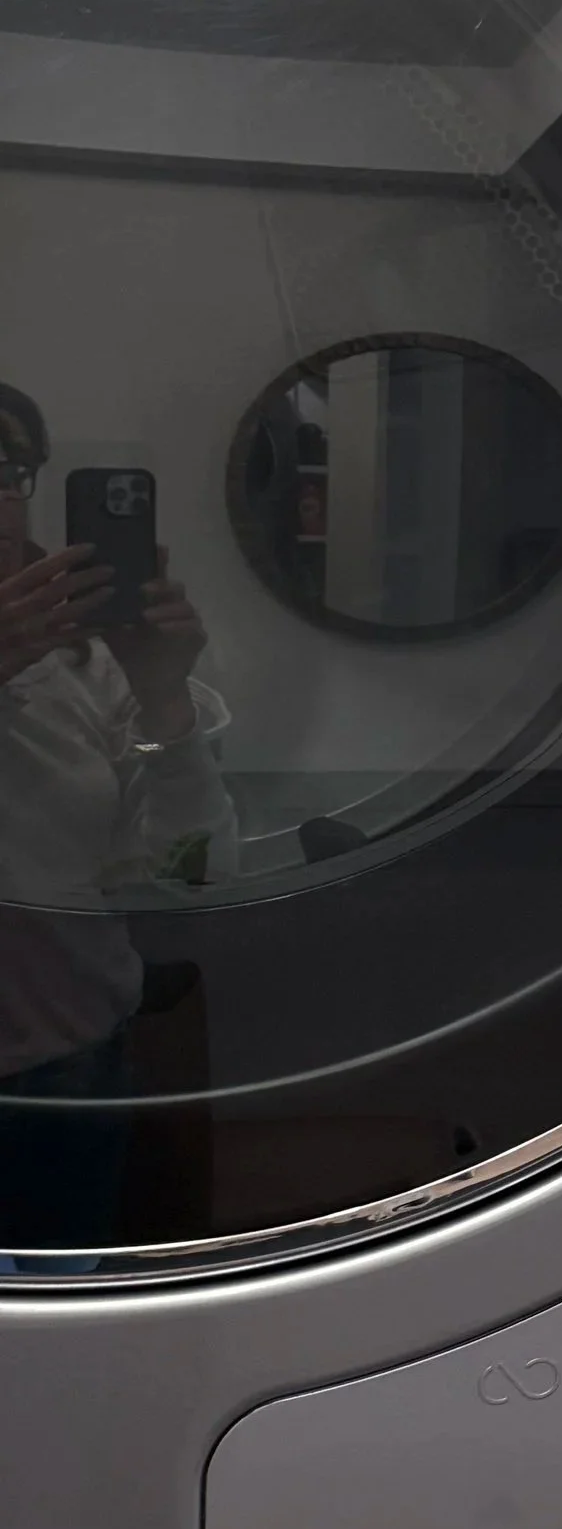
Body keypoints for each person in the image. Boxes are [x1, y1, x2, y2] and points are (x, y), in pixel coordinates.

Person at [0, 384, 234, 1250]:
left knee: (65, 1358)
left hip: (69, 1075)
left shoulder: (88, 668)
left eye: (5, 466)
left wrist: (165, 697)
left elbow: (191, 872)